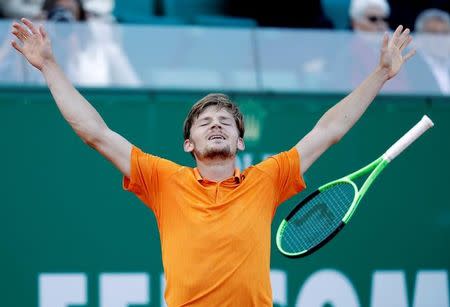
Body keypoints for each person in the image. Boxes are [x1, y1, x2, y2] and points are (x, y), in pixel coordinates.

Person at [10, 18, 415, 306]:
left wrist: (380, 73)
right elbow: (94, 131)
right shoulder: (161, 179)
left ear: (240, 139)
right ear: (189, 143)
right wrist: (48, 65)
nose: (216, 125)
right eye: (205, 122)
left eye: (225, 122)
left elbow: (329, 130)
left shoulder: (269, 177)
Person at [413, 9, 450, 94]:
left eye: (444, 33)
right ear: (419, 38)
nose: (440, 38)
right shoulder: (410, 66)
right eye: (433, 33)